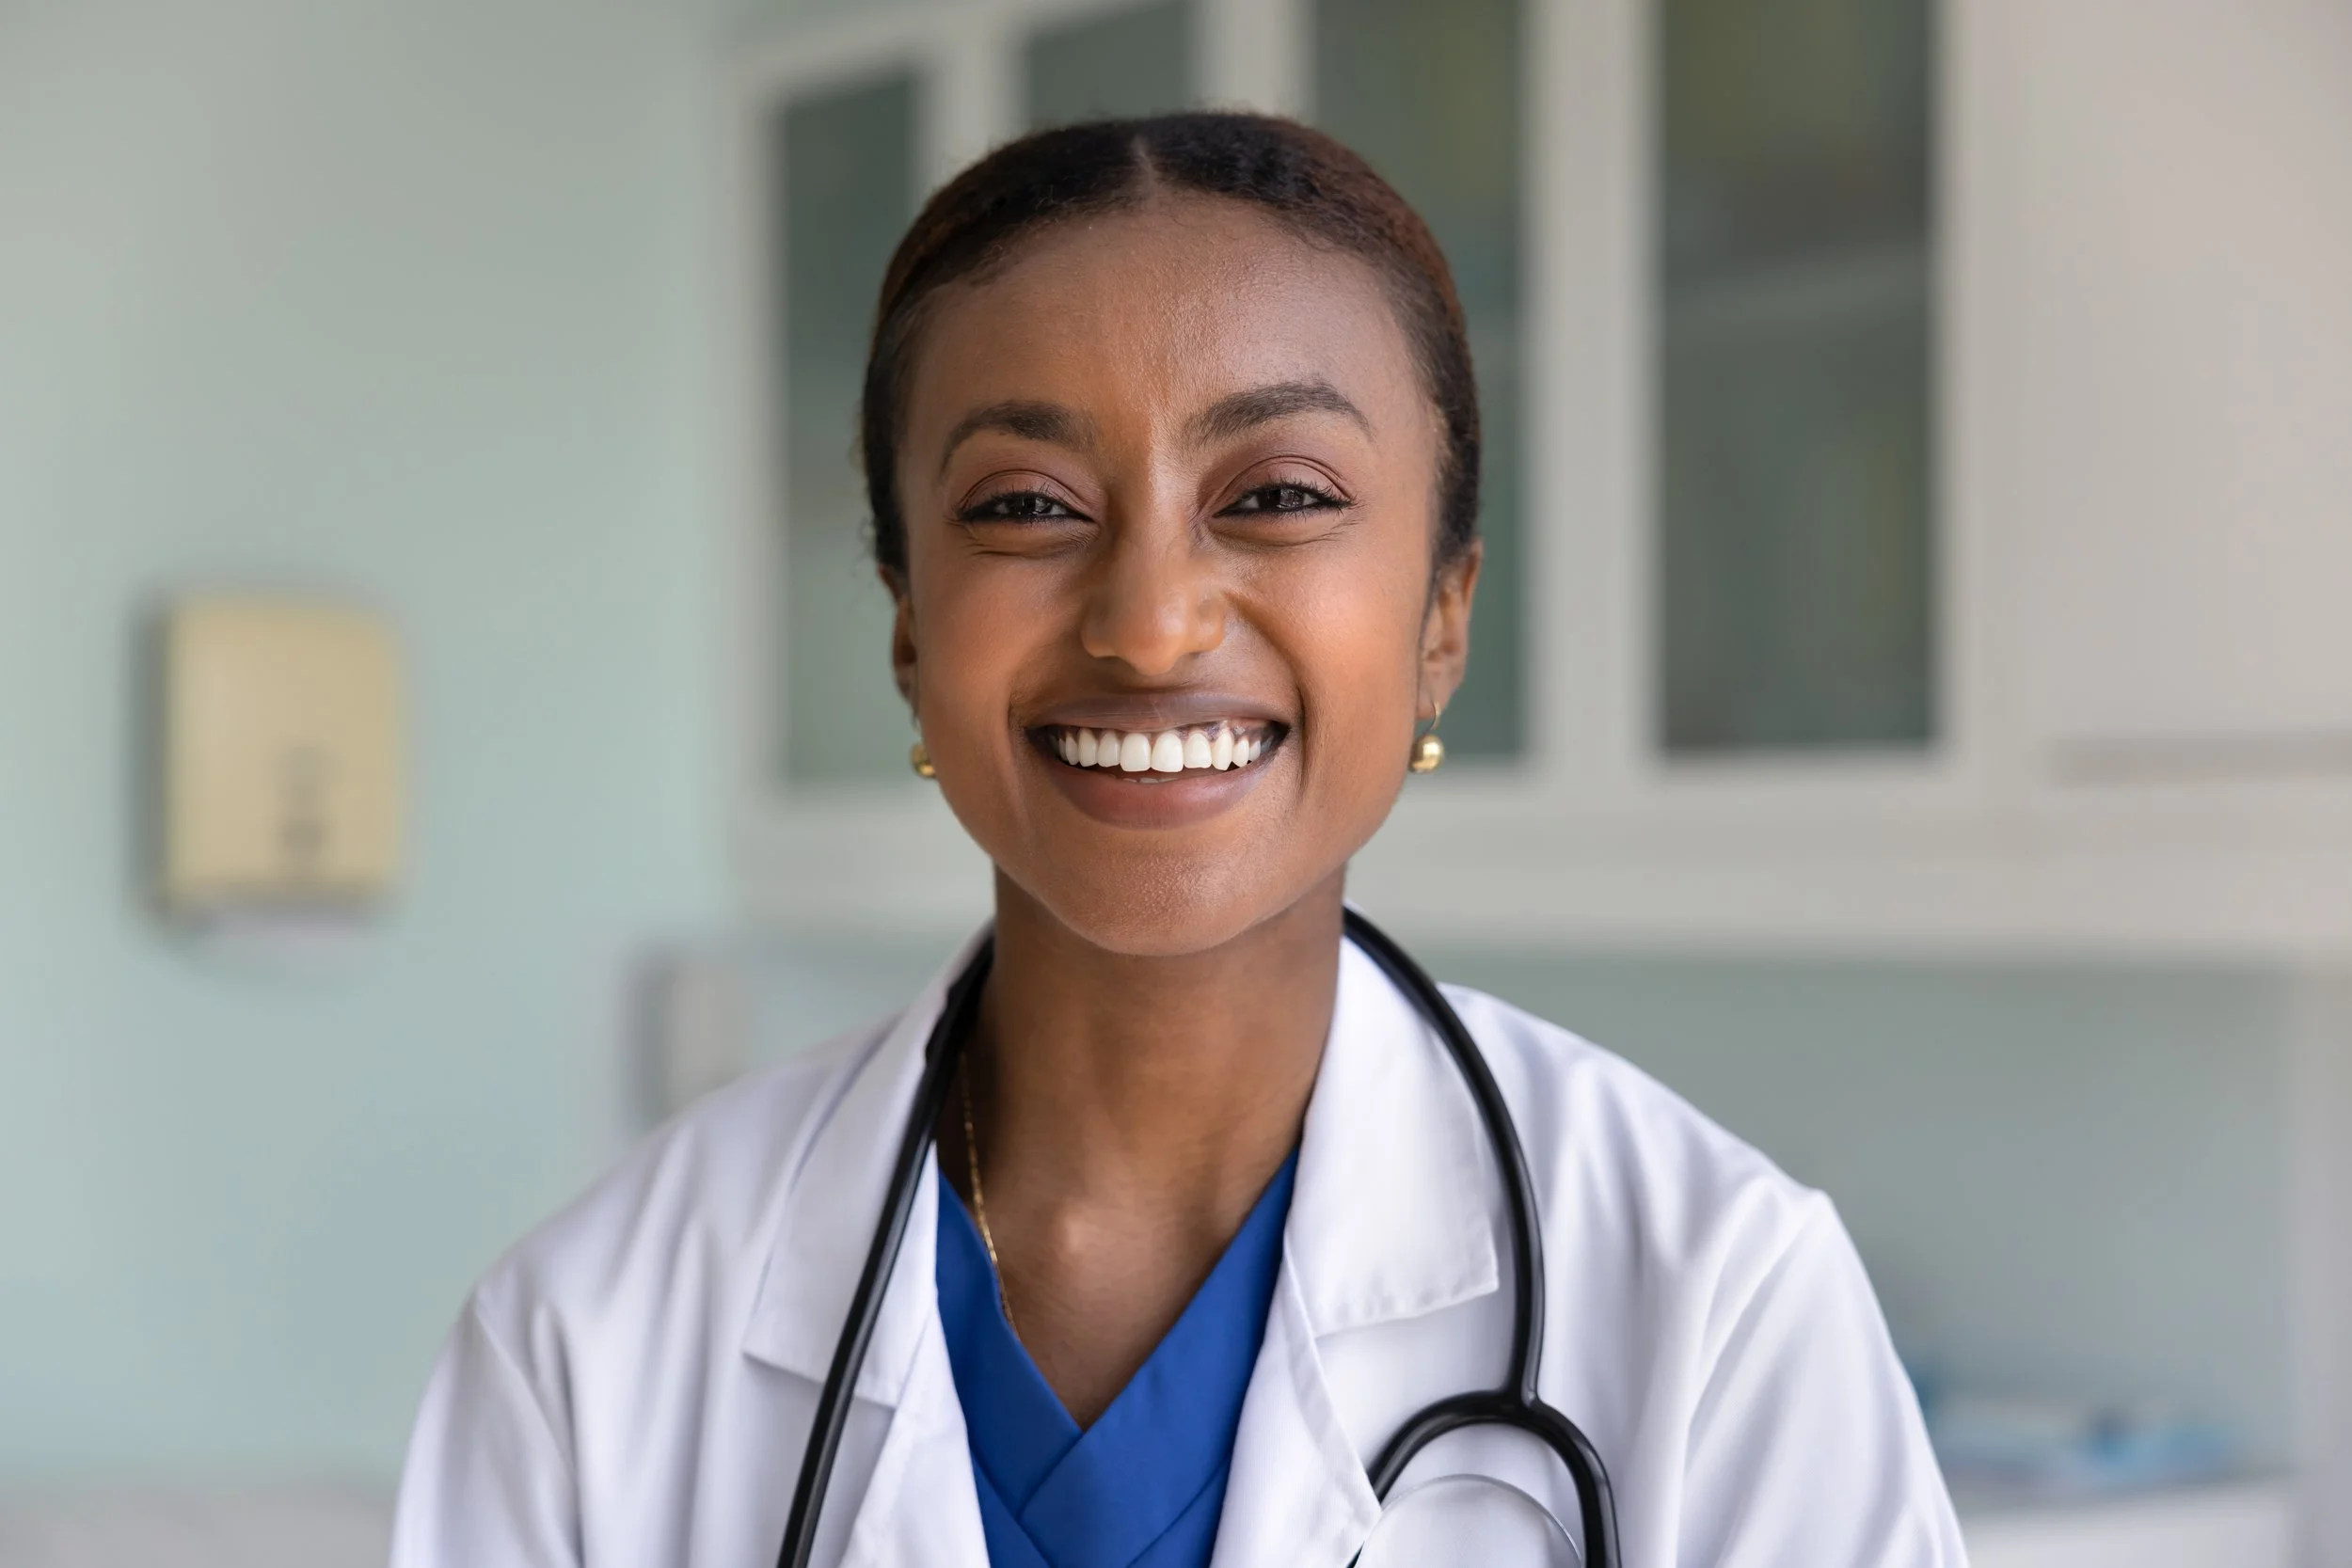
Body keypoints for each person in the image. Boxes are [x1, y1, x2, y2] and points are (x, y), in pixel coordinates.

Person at [389, 113, 1966, 1567]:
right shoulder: (590, 1345)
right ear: (906, 634)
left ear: (1441, 620)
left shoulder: (1722, 1308)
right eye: (1023, 506)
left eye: (1276, 490)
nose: (1149, 625)